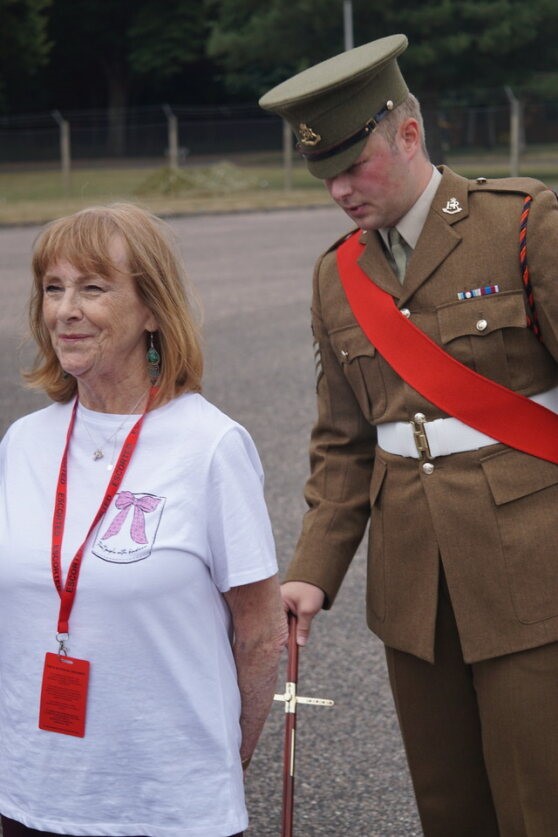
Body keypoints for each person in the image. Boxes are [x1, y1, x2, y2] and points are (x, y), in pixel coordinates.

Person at [259, 33, 558, 836]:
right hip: (416, 586)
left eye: (354, 165)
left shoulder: (520, 222)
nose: (339, 190)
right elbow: (344, 443)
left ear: (410, 134)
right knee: (449, 806)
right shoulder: (337, 276)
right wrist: (311, 572)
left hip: (534, 569)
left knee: (540, 802)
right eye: (324, 174)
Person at [0, 203, 287, 837]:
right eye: (53, 288)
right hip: (30, 796)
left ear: (153, 309)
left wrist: (223, 761)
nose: (65, 310)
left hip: (169, 804)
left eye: (93, 288)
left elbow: (261, 632)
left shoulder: (210, 445)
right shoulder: (22, 443)